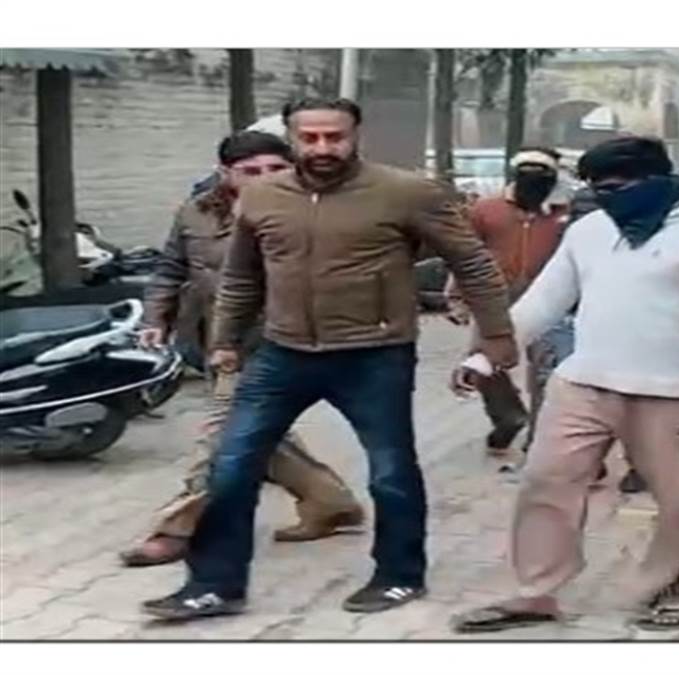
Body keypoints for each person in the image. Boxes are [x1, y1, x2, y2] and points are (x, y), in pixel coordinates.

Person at [140, 97, 517, 621]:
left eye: (334, 137)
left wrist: (495, 338)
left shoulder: (406, 192)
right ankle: (214, 586)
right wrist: (225, 340)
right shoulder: (262, 196)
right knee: (231, 465)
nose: (323, 147)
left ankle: (399, 576)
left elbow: (472, 263)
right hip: (282, 353)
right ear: (292, 139)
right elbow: (243, 275)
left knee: (390, 471)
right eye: (310, 138)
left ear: (355, 136)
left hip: (375, 355)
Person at [449, 137, 679, 633]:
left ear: (660, 180)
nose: (607, 197)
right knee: (545, 482)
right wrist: (487, 357)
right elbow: (544, 302)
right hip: (584, 383)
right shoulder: (591, 229)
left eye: (618, 186)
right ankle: (535, 592)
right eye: (597, 187)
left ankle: (669, 589)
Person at [120, 131, 363, 568]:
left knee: (223, 433)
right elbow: (171, 268)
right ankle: (330, 503)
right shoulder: (195, 213)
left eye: (276, 168)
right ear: (225, 174)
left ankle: (179, 528)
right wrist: (156, 318)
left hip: (287, 341)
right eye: (250, 171)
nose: (264, 178)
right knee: (259, 432)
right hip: (223, 342)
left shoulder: (317, 209)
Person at [444, 148, 574, 458]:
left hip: (548, 298)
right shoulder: (486, 210)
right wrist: (457, 297)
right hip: (493, 298)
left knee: (546, 371)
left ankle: (540, 437)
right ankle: (507, 417)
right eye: (527, 173)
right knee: (485, 361)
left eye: (543, 174)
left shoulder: (563, 214)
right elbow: (465, 255)